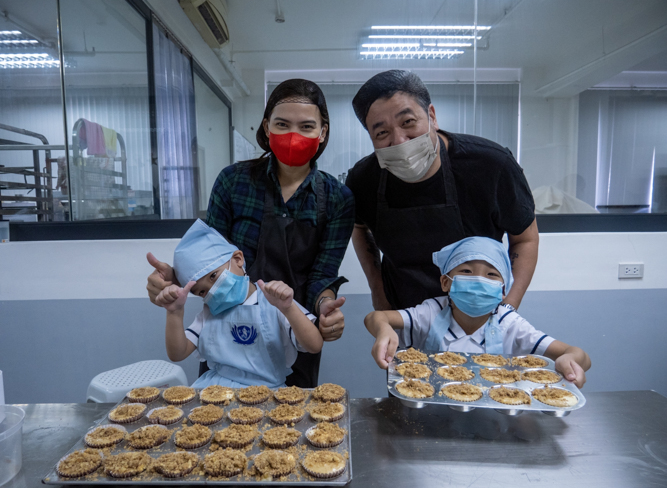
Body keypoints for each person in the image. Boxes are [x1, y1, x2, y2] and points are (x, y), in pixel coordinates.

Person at [147, 79, 355, 388]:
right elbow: (211, 256)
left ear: (322, 132)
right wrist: (177, 278)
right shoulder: (234, 182)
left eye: (307, 126)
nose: (293, 135)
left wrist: (325, 307)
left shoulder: (337, 198)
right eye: (282, 124)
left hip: (290, 326)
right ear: (267, 127)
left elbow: (323, 273)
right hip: (226, 330)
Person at [346, 70, 538, 312]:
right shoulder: (364, 179)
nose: (400, 141)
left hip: (480, 314)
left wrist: (508, 307)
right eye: (382, 133)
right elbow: (359, 226)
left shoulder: (491, 165)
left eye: (408, 122)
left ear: (432, 117)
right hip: (404, 315)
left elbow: (525, 238)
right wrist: (378, 290)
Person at [365, 237, 591, 387]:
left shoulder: (510, 324)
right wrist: (384, 330)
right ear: (445, 283)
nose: (478, 280)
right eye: (466, 271)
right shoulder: (431, 311)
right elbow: (375, 317)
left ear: (503, 291)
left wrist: (570, 359)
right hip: (430, 411)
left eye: (491, 275)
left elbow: (578, 353)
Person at [154, 219, 322, 389]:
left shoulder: (275, 302)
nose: (212, 290)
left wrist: (289, 308)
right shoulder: (209, 313)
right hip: (215, 391)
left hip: (267, 393)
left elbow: (314, 345)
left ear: (238, 259)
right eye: (202, 292)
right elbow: (178, 353)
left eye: (213, 276)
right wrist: (174, 313)